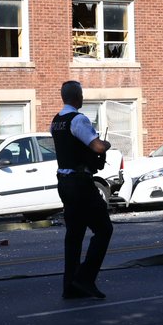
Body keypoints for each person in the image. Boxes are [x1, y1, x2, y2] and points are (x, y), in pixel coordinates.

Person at [50, 80, 113, 300]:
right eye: (82, 95)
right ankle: (85, 279)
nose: (83, 98)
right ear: (77, 97)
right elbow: (95, 146)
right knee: (104, 229)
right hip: (80, 183)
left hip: (64, 182)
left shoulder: (56, 121)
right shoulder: (78, 120)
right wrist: (106, 145)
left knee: (74, 235)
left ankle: (70, 287)